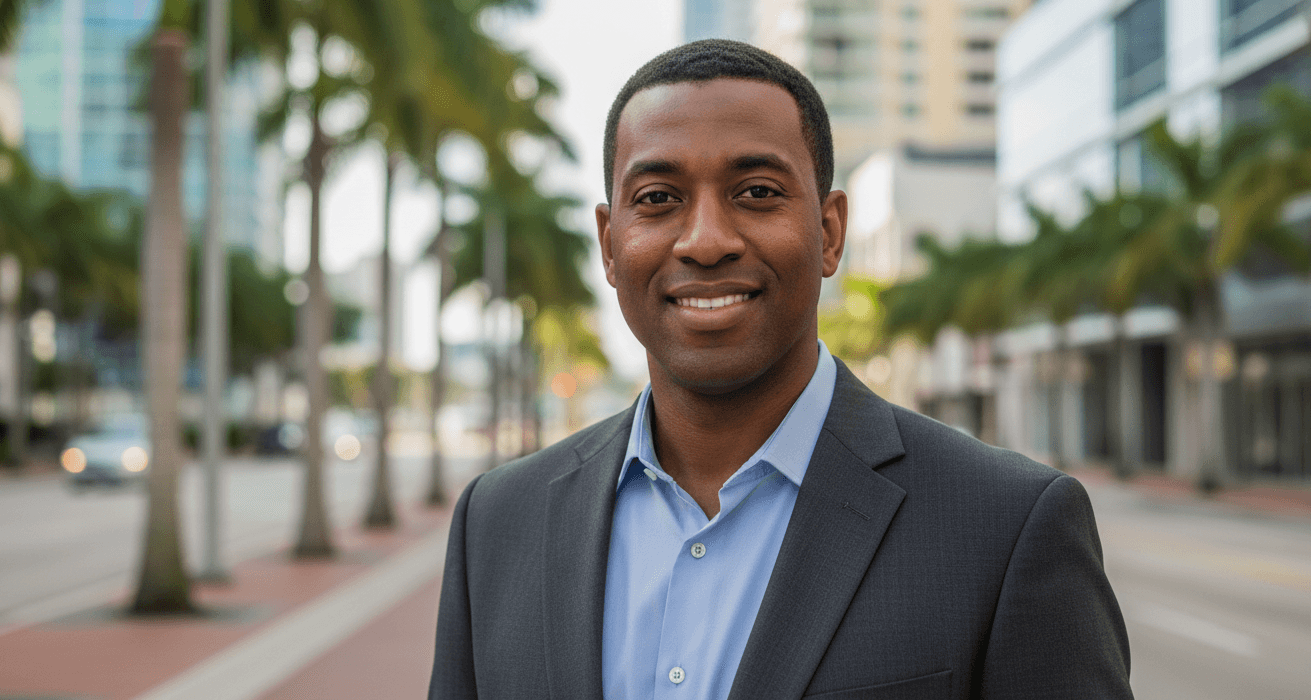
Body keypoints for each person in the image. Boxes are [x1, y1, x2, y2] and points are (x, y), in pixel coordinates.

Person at [429, 39, 1132, 700]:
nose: (706, 241)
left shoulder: (1007, 524)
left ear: (829, 232)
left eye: (757, 192)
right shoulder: (497, 521)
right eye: (657, 199)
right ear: (610, 246)